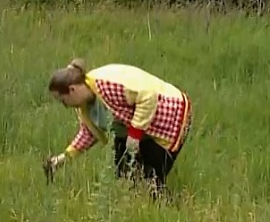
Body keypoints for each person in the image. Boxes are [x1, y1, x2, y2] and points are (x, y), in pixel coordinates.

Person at [46, 59, 192, 197]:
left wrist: (135, 135)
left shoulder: (107, 84)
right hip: (136, 129)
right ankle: (137, 208)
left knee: (152, 179)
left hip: (170, 116)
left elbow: (148, 96)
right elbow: (88, 134)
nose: (65, 106)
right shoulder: (84, 108)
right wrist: (62, 159)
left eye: (63, 100)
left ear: (72, 90)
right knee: (125, 176)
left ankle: (165, 207)